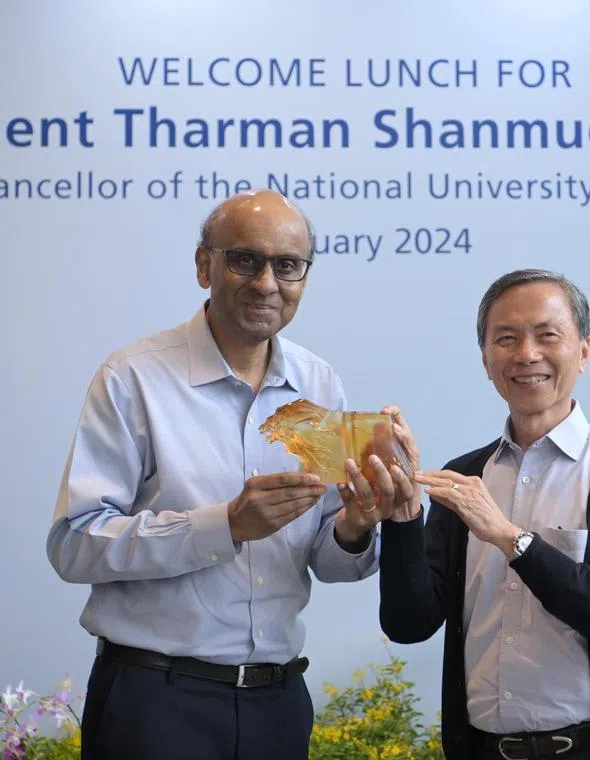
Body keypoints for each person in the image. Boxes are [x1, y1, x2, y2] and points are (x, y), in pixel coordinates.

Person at [46, 189, 391, 760]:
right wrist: (224, 526)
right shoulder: (133, 378)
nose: (266, 283)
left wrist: (356, 524)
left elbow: (331, 564)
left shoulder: (320, 383)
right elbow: (73, 544)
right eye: (244, 259)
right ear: (204, 265)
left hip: (277, 705)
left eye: (288, 266)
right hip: (156, 701)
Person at [372, 270, 590, 759]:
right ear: (486, 360)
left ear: (583, 351)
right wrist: (406, 515)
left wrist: (512, 539)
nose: (526, 355)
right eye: (506, 339)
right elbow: (409, 624)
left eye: (547, 335)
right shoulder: (465, 476)